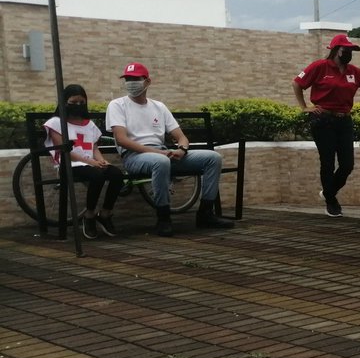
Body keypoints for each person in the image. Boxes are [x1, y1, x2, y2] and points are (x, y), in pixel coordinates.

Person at [106, 62, 234, 237]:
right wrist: (158, 153)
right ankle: (163, 218)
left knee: (213, 158)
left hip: (163, 154)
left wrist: (182, 150)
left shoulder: (159, 106)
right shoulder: (117, 105)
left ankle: (205, 214)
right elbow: (121, 140)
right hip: (135, 157)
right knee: (161, 161)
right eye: (128, 79)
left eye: (135, 79)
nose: (131, 83)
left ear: (147, 81)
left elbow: (181, 137)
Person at [293, 33, 360, 217]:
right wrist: (305, 107)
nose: (349, 53)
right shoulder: (320, 66)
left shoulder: (353, 71)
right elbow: (297, 83)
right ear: (336, 50)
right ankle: (331, 201)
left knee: (347, 164)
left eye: (351, 51)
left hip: (344, 120)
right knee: (328, 162)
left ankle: (328, 193)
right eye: (346, 50)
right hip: (323, 120)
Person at [43, 84, 124, 239]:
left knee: (116, 174)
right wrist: (93, 163)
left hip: (90, 163)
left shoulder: (89, 124)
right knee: (97, 176)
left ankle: (105, 214)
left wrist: (102, 161)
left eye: (82, 102)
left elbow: (94, 148)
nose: (78, 106)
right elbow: (65, 151)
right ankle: (89, 215)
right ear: (64, 102)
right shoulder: (56, 123)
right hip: (70, 164)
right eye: (73, 102)